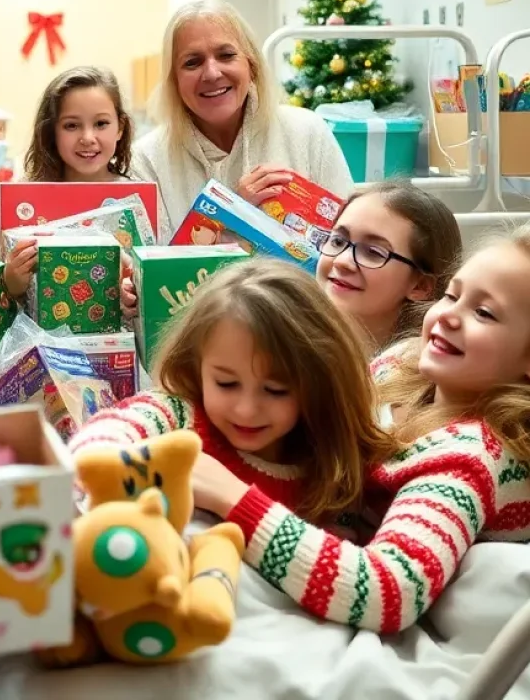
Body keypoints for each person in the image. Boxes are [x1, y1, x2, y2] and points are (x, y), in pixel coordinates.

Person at [189, 226, 530, 633]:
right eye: (453, 295)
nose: (447, 316)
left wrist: (232, 497)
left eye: (484, 313)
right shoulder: (404, 363)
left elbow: (386, 593)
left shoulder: (474, 458)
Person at [70, 260, 396, 527]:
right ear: (194, 366)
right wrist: (107, 466)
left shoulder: (334, 458)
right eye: (226, 384)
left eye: (275, 390)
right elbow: (104, 437)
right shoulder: (181, 412)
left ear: (320, 382)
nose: (246, 410)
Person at [131, 0, 354, 244]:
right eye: (192, 62)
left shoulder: (308, 132)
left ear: (252, 64)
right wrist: (231, 214)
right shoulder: (146, 160)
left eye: (226, 55)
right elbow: (154, 274)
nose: (212, 73)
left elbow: (349, 242)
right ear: (173, 80)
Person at [3, 66, 134, 299]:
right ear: (52, 131)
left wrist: (135, 293)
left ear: (120, 128)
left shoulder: (136, 199)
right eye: (71, 125)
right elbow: (5, 298)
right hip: (41, 333)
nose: (87, 138)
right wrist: (13, 281)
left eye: (101, 123)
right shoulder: (24, 199)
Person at [316, 181, 461, 354]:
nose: (342, 261)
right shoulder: (282, 345)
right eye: (338, 241)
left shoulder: (419, 375)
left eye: (372, 252)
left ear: (420, 286)